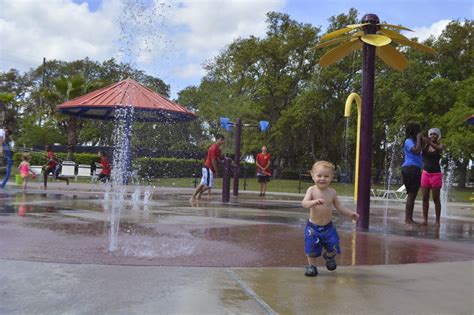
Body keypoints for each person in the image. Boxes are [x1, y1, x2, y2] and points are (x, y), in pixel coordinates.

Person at [302, 161, 359, 277]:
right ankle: (312, 266)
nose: (322, 179)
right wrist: (313, 202)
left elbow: (338, 206)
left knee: (334, 244)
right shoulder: (311, 190)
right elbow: (304, 203)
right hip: (313, 228)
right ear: (313, 176)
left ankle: (329, 256)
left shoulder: (332, 192)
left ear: (332, 177)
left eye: (326, 176)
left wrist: (350, 213)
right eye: (319, 176)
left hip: (328, 227)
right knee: (311, 247)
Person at [401, 122, 423, 226]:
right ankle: (408, 220)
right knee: (411, 195)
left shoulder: (413, 141)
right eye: (418, 130)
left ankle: (409, 219)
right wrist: (419, 138)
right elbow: (417, 151)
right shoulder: (408, 141)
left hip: (414, 169)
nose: (420, 132)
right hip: (411, 169)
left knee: (412, 195)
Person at [421, 128, 444, 227]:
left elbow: (440, 149)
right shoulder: (425, 146)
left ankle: (437, 221)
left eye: (435, 134)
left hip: (436, 175)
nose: (433, 136)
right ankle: (425, 220)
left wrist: (429, 142)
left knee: (436, 199)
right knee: (425, 198)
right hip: (425, 174)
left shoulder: (440, 145)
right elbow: (418, 149)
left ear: (438, 136)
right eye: (431, 134)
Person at [191, 134, 225, 200]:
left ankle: (194, 196)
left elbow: (217, 158)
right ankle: (196, 195)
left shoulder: (217, 148)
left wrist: (222, 161)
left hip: (206, 167)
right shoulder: (214, 148)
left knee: (203, 183)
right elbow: (213, 161)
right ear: (218, 139)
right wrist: (216, 171)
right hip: (208, 168)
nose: (223, 142)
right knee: (209, 185)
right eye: (222, 140)